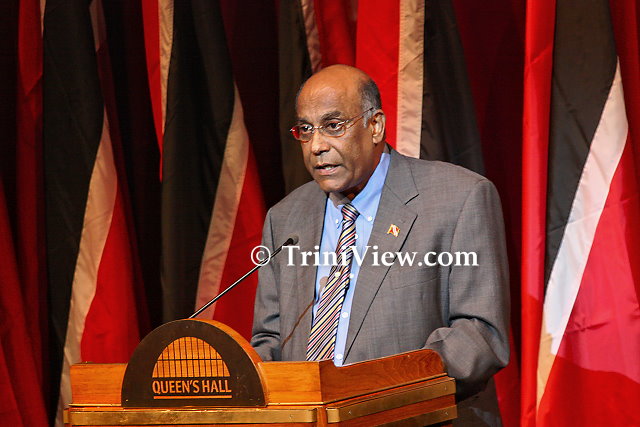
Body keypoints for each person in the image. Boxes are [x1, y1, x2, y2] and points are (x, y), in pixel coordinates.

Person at [251, 64, 510, 426]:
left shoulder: (458, 198)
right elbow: (270, 338)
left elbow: (480, 334)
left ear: (375, 126)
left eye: (333, 125)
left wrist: (375, 392)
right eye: (306, 130)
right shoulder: (285, 218)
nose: (317, 146)